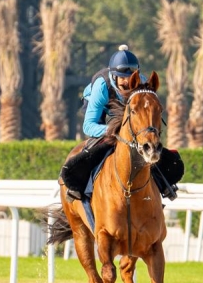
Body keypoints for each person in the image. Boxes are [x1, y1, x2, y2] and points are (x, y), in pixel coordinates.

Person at [60, 45, 180, 202]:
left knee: (146, 145)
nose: (127, 82)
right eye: (122, 77)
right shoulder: (102, 87)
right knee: (101, 143)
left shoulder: (142, 84)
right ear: (113, 76)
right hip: (102, 109)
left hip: (131, 109)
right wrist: (114, 131)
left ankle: (164, 183)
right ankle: (78, 185)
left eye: (130, 77)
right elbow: (88, 126)